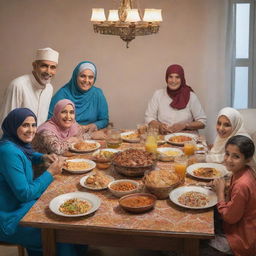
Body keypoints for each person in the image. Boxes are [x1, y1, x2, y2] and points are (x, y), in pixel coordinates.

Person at [0, 108, 87, 256]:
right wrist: (50, 172)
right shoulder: (8, 152)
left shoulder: (14, 143)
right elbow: (25, 194)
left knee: (71, 220)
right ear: (14, 126)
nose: (31, 130)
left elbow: (28, 154)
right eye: (25, 125)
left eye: (34, 125)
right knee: (62, 233)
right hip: (10, 219)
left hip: (22, 208)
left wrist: (42, 157)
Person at [210, 135, 256, 256]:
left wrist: (220, 192)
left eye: (236, 156)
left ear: (248, 159)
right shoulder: (245, 171)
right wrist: (223, 186)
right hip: (241, 228)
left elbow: (229, 218)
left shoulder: (242, 185)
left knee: (196, 242)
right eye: (227, 154)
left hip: (241, 239)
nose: (229, 160)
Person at [0, 47, 59, 128]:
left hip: (37, 139)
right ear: (34, 66)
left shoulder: (49, 88)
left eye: (53, 67)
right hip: (16, 139)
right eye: (44, 66)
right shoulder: (18, 85)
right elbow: (5, 122)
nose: (48, 72)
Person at [48, 61, 109, 132]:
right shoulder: (62, 94)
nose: (86, 80)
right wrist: (74, 128)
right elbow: (50, 120)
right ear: (75, 76)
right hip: (66, 136)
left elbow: (104, 120)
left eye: (90, 77)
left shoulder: (97, 94)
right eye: (82, 76)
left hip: (92, 136)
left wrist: (92, 126)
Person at [145, 64, 206, 134]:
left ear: (182, 79)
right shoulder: (158, 94)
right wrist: (159, 126)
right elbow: (149, 117)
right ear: (166, 78)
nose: (173, 80)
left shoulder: (191, 96)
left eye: (177, 77)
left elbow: (202, 122)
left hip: (186, 139)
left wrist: (185, 125)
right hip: (163, 138)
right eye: (170, 77)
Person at [33, 99, 106, 155]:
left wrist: (92, 135)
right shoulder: (46, 130)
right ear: (56, 113)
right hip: (40, 169)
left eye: (71, 112)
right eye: (63, 112)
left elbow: (79, 136)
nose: (68, 116)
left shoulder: (72, 124)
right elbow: (56, 149)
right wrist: (70, 141)